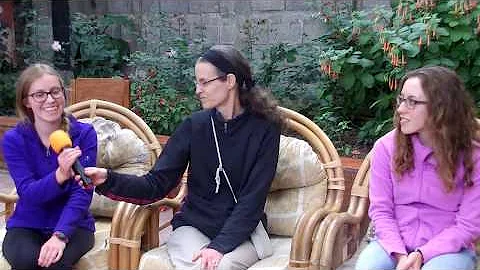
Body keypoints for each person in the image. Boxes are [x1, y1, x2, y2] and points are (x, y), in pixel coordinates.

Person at [83, 45, 283, 270]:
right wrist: (107, 179)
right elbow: (155, 185)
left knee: (223, 266)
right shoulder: (194, 126)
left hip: (243, 231)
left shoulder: (265, 129)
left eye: (204, 82)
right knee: (202, 266)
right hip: (193, 228)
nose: (198, 90)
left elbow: (252, 199)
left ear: (229, 81)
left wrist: (218, 247)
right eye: (196, 82)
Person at [355, 66, 480, 270]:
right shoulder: (386, 148)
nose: (400, 109)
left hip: (449, 249)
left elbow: (468, 225)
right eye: (401, 99)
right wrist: (399, 253)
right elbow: (381, 211)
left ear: (441, 108)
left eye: (412, 102)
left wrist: (423, 254)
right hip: (393, 243)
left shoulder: (474, 157)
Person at [2, 63, 97, 269]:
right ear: (26, 101)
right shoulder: (14, 139)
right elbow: (28, 193)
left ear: (63, 93)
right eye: (39, 95)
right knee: (26, 261)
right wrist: (60, 175)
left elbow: (83, 192)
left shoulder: (84, 134)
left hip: (74, 226)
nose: (50, 99)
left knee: (55, 263)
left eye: (55, 91)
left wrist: (60, 236)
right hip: (27, 224)